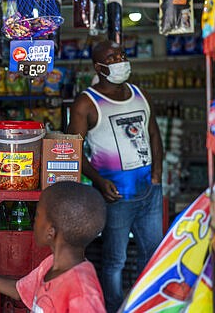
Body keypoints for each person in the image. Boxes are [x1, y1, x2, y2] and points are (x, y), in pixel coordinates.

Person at [67, 40, 164, 313]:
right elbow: (72, 150)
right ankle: (113, 308)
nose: (120, 59)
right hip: (115, 195)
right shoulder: (87, 103)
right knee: (115, 260)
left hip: (149, 191)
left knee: (153, 252)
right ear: (99, 67)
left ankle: (146, 303)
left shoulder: (139, 94)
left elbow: (153, 134)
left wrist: (157, 173)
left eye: (121, 54)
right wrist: (98, 181)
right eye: (112, 56)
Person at [0, 182, 106, 312]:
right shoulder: (51, 264)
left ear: (51, 231)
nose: (33, 221)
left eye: (37, 215)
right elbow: (18, 290)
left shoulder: (82, 292)